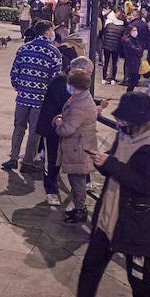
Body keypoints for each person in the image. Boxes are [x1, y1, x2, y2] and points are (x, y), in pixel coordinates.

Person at [47, 92, 150, 297]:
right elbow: (115, 165)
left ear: (137, 120)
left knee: (138, 278)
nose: (118, 124)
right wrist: (101, 161)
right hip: (108, 218)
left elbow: (149, 185)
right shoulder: (125, 134)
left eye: (123, 120)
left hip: (137, 224)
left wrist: (111, 164)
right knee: (90, 268)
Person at [3, 20, 64, 173]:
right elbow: (56, 79)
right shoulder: (54, 52)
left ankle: (13, 157)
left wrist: (21, 88)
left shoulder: (24, 48)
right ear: (48, 31)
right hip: (40, 99)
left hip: (23, 97)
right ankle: (28, 162)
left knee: (19, 127)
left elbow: (14, 72)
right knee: (35, 132)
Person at [37, 56, 94, 207]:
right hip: (53, 128)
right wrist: (59, 121)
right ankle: (51, 190)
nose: (90, 75)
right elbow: (67, 104)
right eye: (89, 72)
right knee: (53, 160)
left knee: (67, 158)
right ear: (79, 69)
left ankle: (82, 185)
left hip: (65, 128)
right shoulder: (61, 81)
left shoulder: (75, 83)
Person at [53, 69, 99, 223]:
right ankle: (79, 208)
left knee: (77, 181)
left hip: (78, 148)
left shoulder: (80, 104)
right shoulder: (80, 98)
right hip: (79, 146)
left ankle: (80, 210)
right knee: (75, 180)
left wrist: (58, 121)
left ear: (74, 85)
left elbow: (66, 130)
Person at [100, 11, 125, 85]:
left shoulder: (109, 25)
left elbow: (104, 34)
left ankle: (104, 79)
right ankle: (113, 79)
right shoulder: (122, 28)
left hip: (106, 46)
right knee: (114, 64)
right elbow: (122, 39)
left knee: (106, 63)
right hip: (116, 47)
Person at [122, 23, 147, 93]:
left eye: (136, 30)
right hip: (131, 62)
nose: (135, 32)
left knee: (134, 80)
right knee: (131, 81)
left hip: (136, 62)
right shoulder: (128, 41)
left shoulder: (135, 39)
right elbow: (136, 50)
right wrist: (139, 50)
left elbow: (140, 49)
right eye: (134, 30)